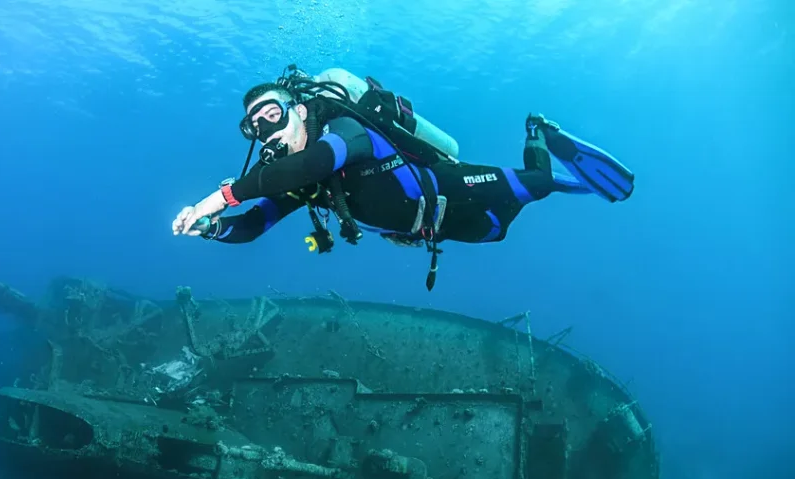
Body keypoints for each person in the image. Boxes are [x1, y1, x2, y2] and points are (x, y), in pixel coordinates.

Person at [172, 67, 635, 290]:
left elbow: (318, 162)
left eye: (271, 114)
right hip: (430, 229)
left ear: (297, 110)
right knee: (497, 230)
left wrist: (220, 197)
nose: (265, 130)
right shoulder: (297, 185)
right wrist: (208, 228)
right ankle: (548, 172)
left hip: (446, 186)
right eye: (254, 127)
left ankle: (539, 131)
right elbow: (254, 225)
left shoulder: (343, 131)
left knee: (535, 183)